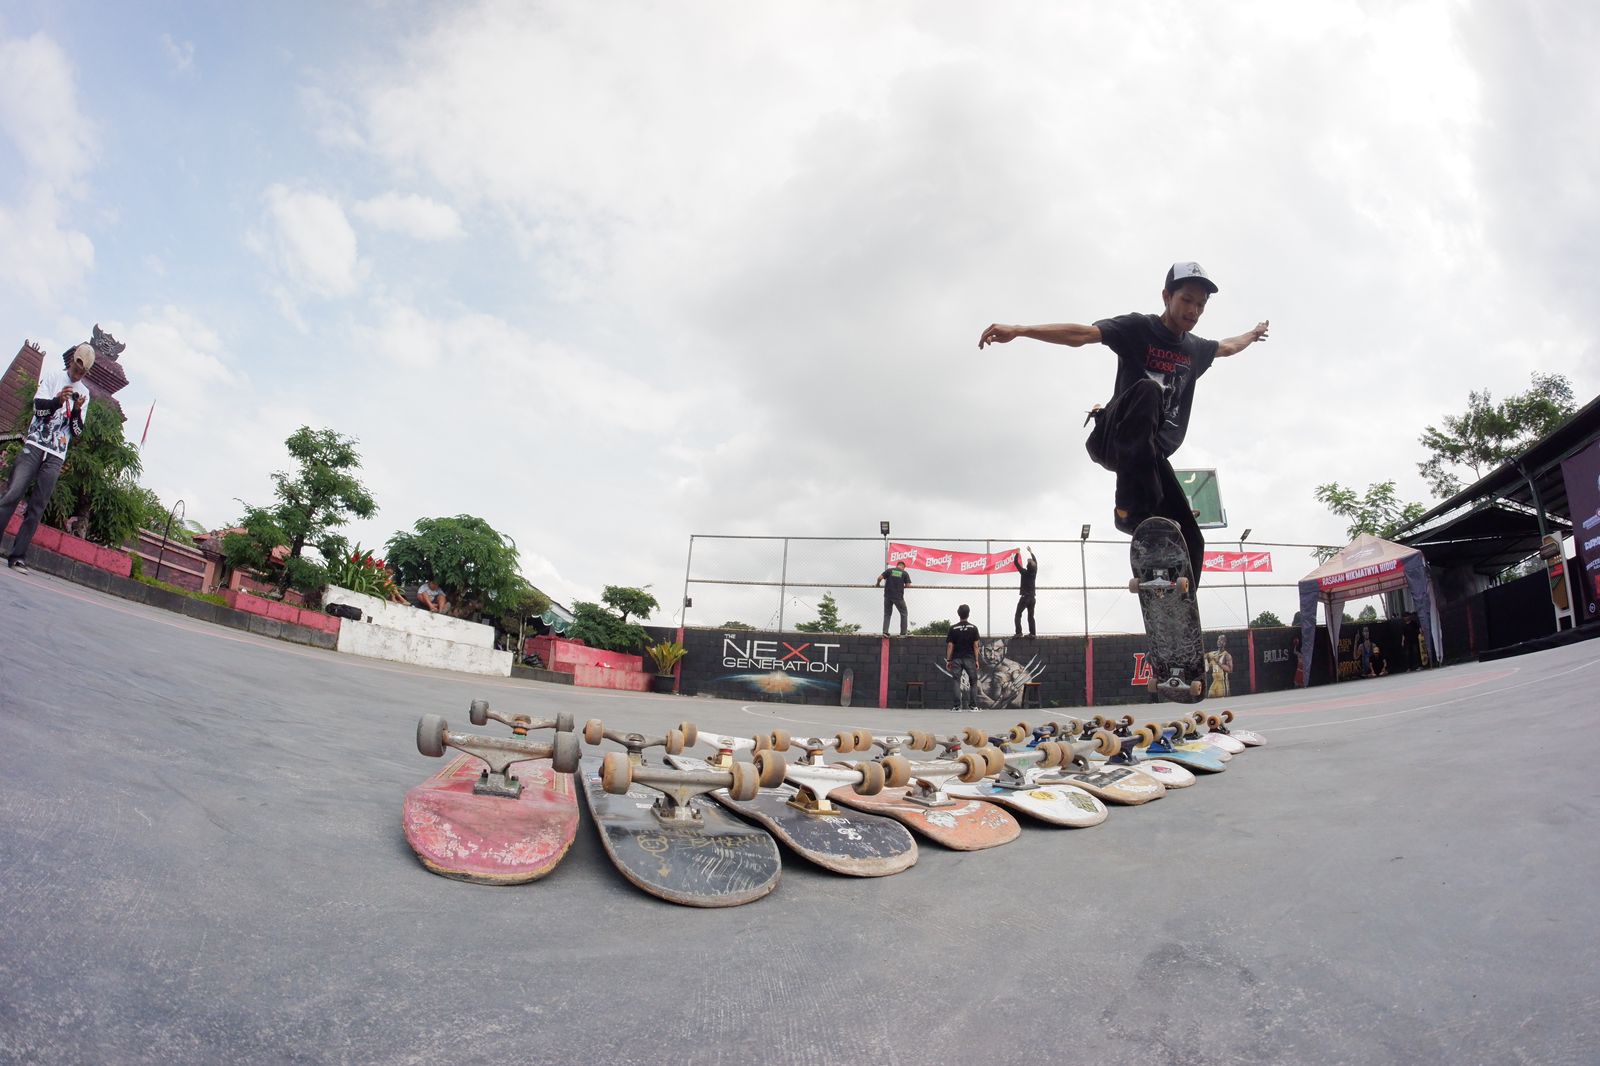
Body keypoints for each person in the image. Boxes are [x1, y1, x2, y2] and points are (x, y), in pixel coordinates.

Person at [979, 262, 1269, 584]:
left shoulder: (1194, 349)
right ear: (1166, 296)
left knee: (1191, 538)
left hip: (1149, 455)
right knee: (1148, 392)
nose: (1194, 310)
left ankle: (1170, 594)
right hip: (1115, 436)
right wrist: (1020, 330)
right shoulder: (1138, 329)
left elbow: (1228, 346)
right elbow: (1082, 334)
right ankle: (1128, 510)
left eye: (1201, 304)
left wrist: (1253, 334)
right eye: (1187, 300)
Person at [1, 343, 94, 574]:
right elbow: (37, 409)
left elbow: (77, 432)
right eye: (77, 368)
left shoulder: (84, 393)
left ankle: (18, 556)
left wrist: (76, 411)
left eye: (83, 373)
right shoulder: (53, 376)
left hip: (55, 454)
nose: (77, 374)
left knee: (38, 506)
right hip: (34, 444)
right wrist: (58, 401)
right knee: (13, 494)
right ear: (72, 360)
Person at [945, 604, 981, 712]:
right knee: (973, 682)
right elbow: (976, 646)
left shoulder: (953, 628)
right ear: (968, 614)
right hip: (969, 658)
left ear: (958, 614)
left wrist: (948, 660)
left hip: (956, 658)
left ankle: (957, 707)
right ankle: (973, 706)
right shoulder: (974, 628)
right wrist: (976, 660)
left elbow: (950, 645)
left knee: (956, 681)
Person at [875, 559, 911, 636]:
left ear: (897, 565)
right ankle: (903, 633)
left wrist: (877, 584)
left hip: (887, 596)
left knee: (887, 614)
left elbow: (879, 578)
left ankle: (885, 632)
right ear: (903, 567)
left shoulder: (889, 570)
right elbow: (908, 585)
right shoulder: (904, 573)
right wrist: (902, 585)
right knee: (904, 613)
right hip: (898, 597)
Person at [1012, 546, 1038, 639]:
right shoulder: (1034, 573)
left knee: (1018, 614)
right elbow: (1036, 562)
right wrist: (1031, 552)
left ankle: (1018, 632)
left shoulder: (1024, 572)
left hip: (1025, 598)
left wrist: (1017, 553)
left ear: (1027, 566)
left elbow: (1016, 563)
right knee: (1031, 617)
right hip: (1032, 598)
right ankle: (1033, 634)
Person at [1207, 633, 1234, 697]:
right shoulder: (1213, 654)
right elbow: (1212, 668)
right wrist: (1209, 666)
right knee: (1210, 697)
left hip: (1222, 682)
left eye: (1221, 640)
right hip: (1215, 681)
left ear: (1224, 643)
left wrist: (1218, 663)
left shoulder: (1227, 655)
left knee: (1222, 701)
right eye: (1218, 640)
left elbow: (1230, 670)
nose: (1219, 641)